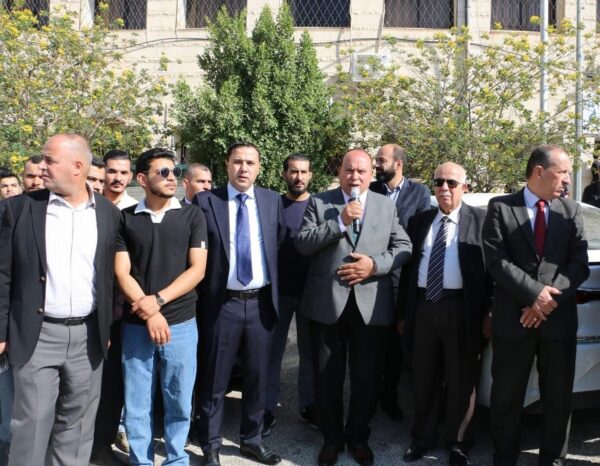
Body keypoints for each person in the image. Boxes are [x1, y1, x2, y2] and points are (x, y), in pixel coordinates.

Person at [0, 134, 122, 466]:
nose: (42, 166)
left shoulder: (108, 214)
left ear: (77, 167)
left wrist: (106, 327)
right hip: (36, 335)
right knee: (31, 427)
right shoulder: (19, 209)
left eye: (50, 160)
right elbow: (3, 273)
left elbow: (108, 276)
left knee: (78, 427)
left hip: (88, 337)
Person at [296, 148, 412, 466]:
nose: (355, 176)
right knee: (327, 378)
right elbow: (303, 243)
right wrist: (340, 221)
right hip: (327, 305)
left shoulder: (386, 206)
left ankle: (359, 436)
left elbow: (404, 246)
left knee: (367, 379)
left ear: (371, 174)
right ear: (340, 172)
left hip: (370, 306)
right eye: (349, 169)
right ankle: (332, 439)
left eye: (362, 170)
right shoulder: (320, 202)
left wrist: (374, 265)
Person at [482, 144, 589, 466]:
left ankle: (553, 459)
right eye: (562, 172)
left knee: (558, 396)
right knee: (506, 396)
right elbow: (496, 261)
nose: (567, 180)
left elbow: (579, 264)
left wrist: (545, 299)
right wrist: (533, 295)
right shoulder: (501, 207)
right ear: (539, 172)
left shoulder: (570, 210)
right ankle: (505, 457)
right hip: (513, 321)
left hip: (558, 320)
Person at [115, 148, 208, 465]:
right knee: (137, 403)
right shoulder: (126, 218)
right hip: (136, 327)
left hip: (181, 324)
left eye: (176, 171)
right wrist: (150, 313)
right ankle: (140, 461)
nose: (173, 178)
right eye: (164, 172)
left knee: (179, 400)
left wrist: (157, 302)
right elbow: (121, 272)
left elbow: (197, 270)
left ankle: (176, 459)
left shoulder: (192, 216)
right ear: (142, 179)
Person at [194, 141, 284, 466]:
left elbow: (280, 243)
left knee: (258, 378)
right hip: (223, 304)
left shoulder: (272, 200)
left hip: (260, 304)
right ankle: (210, 445)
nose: (243, 168)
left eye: (250, 162)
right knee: (214, 379)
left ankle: (251, 440)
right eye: (237, 162)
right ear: (227, 164)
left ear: (259, 167)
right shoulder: (207, 201)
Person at [398, 162, 491, 465]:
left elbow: (493, 271)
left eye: (452, 183)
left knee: (462, 379)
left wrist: (489, 312)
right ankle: (422, 439)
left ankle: (459, 443)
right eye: (439, 182)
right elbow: (407, 271)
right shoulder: (419, 221)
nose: (444, 188)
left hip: (462, 309)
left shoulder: (481, 221)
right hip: (424, 306)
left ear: (465, 187)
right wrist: (403, 314)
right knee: (423, 376)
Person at [369, 143, 430, 421]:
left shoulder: (419, 193)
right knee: (370, 345)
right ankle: (367, 397)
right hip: (370, 277)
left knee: (394, 346)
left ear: (398, 164)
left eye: (381, 160)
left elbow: (415, 236)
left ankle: (389, 397)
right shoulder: (371, 190)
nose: (376, 164)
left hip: (399, 280)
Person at [90, 153, 137, 464]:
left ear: (131, 176)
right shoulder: (85, 207)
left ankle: (102, 444)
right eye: (112, 171)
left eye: (123, 172)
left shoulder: (134, 211)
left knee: (112, 384)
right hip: (85, 308)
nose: (117, 178)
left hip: (121, 313)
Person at [263, 154, 315, 435]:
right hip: (277, 292)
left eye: (304, 172)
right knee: (272, 353)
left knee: (309, 353)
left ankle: (309, 406)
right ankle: (267, 408)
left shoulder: (319, 206)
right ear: (284, 174)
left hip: (310, 293)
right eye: (293, 171)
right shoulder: (273, 205)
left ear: (311, 175)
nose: (299, 177)